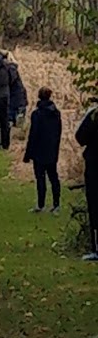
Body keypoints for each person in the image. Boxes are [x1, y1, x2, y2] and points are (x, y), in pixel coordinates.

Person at [23, 87, 62, 214]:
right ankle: (56, 204)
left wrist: (28, 154)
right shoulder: (56, 113)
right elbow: (58, 132)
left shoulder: (37, 114)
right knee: (54, 177)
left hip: (39, 151)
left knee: (40, 179)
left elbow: (33, 135)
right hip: (52, 149)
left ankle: (41, 204)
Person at [74, 103, 98, 261]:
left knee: (95, 207)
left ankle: (96, 248)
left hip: (95, 166)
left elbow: (80, 137)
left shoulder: (94, 115)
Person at [5, 52, 28, 127]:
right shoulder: (12, 68)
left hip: (16, 96)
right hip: (18, 95)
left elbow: (10, 81)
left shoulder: (11, 68)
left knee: (15, 119)